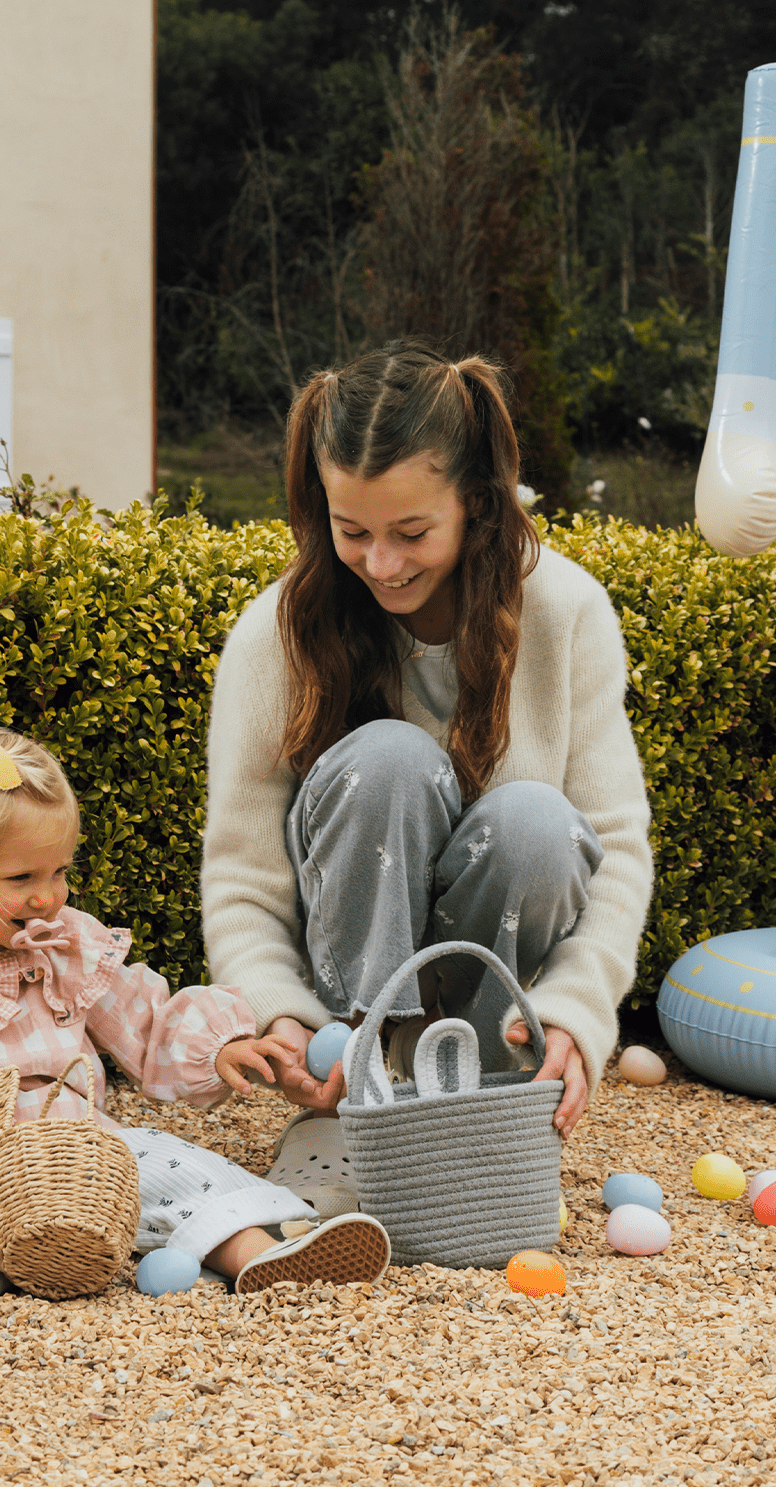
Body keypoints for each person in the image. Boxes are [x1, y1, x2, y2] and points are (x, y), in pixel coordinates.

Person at [201, 345, 652, 1167]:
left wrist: (577, 1013)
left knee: (535, 822)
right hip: (338, 1011)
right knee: (388, 762)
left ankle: (475, 1106)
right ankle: (357, 1105)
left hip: (493, 1007)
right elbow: (243, 875)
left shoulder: (568, 611)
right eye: (352, 532)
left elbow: (614, 848)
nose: (382, 563)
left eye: (412, 532)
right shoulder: (277, 634)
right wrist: (282, 1012)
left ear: (477, 502)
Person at [0, 725, 390, 1329]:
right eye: (21, 879)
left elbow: (146, 1021)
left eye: (58, 872)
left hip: (80, 1157)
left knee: (171, 1165)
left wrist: (224, 1047)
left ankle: (263, 1255)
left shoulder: (67, 946)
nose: (48, 897)